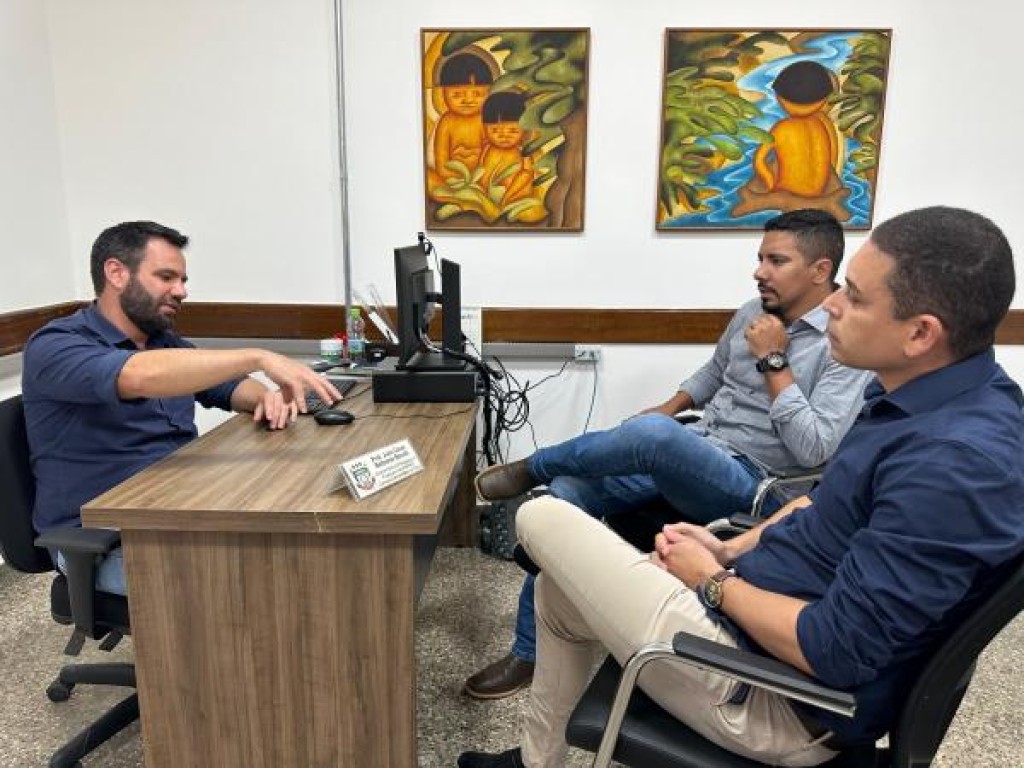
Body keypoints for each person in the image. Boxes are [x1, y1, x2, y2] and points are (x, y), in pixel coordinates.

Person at [458, 205, 1024, 768]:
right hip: (750, 618)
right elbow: (820, 501)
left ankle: (531, 472)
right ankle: (536, 763)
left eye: (853, 296)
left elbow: (835, 650)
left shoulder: (955, 465)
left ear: (921, 333)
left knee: (540, 516)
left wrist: (711, 582)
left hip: (771, 697)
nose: (833, 304)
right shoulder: (918, 397)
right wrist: (727, 549)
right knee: (560, 589)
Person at [464, 208, 871, 700]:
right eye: (760, 257)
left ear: (820, 269)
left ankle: (534, 465)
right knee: (569, 495)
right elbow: (713, 374)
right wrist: (670, 406)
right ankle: (529, 653)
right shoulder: (752, 311)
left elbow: (814, 447)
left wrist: (774, 359)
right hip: (700, 445)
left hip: (758, 481)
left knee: (654, 437)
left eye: (776, 261)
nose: (759, 271)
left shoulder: (843, 342)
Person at [22, 220, 343, 596]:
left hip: (177, 509)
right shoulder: (56, 345)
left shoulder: (164, 343)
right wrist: (259, 356)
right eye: (166, 277)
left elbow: (230, 387)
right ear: (116, 273)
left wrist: (265, 398)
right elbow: (137, 376)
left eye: (183, 280)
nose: (181, 291)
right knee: (264, 579)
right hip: (103, 540)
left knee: (303, 546)